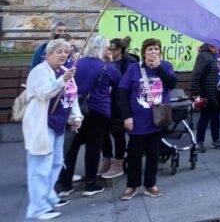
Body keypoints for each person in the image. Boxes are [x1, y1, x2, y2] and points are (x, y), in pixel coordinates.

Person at [23, 38, 82, 220]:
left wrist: (76, 116)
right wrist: (61, 81)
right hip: (42, 124)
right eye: (59, 52)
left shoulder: (65, 71)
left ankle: (48, 196)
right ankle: (38, 207)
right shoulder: (39, 72)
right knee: (40, 167)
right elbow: (44, 93)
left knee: (56, 162)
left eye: (66, 52)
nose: (64, 55)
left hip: (58, 124)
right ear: (48, 55)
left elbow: (72, 96)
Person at [57, 36, 121, 198]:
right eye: (107, 48)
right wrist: (111, 62)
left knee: (72, 146)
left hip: (75, 110)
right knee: (93, 146)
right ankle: (90, 183)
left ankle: (65, 184)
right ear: (101, 49)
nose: (108, 51)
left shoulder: (75, 63)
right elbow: (118, 81)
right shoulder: (106, 67)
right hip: (99, 111)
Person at [118, 38, 177, 201]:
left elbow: (172, 83)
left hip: (157, 120)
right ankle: (131, 186)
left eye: (156, 49)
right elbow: (122, 92)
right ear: (144, 52)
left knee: (153, 154)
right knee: (134, 154)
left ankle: (150, 185)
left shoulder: (165, 66)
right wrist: (127, 116)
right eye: (150, 49)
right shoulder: (133, 68)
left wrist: (159, 68)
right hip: (136, 120)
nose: (153, 52)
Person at [100, 37, 137, 179]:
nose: (108, 51)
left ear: (119, 50)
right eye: (107, 49)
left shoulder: (129, 63)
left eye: (111, 49)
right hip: (105, 102)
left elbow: (124, 82)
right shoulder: (104, 60)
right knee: (103, 132)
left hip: (120, 103)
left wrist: (110, 65)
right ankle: (107, 159)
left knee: (118, 132)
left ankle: (118, 162)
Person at [190, 43, 220, 152]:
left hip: (218, 92)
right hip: (207, 93)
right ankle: (199, 142)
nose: (218, 47)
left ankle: (216, 140)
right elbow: (196, 75)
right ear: (211, 45)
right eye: (216, 45)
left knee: (216, 117)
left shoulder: (217, 54)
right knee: (204, 117)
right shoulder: (203, 56)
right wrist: (196, 94)